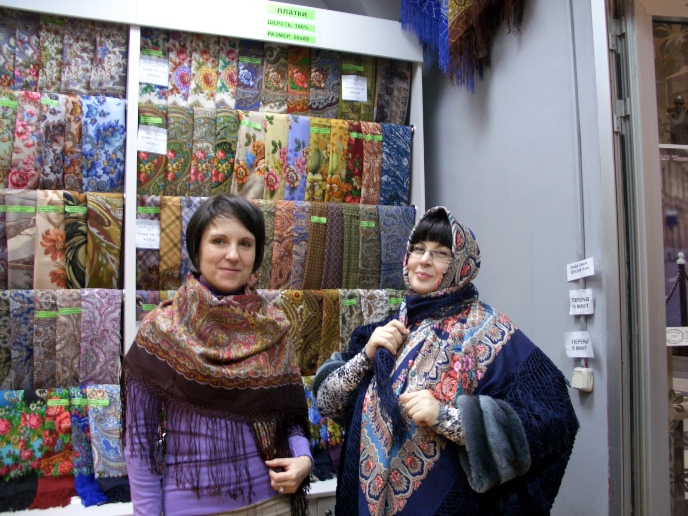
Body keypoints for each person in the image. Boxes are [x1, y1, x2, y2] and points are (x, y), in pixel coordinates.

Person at [314, 206, 579, 515]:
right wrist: (365, 356)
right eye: (418, 249)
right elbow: (327, 403)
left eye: (440, 253)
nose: (424, 260)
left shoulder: (488, 331)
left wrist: (446, 417)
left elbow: (552, 417)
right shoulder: (387, 328)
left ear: (461, 265)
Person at [123, 194, 312, 516]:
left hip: (274, 501)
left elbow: (289, 418)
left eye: (245, 244)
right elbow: (139, 443)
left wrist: (304, 459)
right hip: (191, 508)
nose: (233, 255)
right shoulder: (162, 329)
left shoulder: (272, 326)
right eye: (219, 241)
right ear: (197, 249)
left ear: (257, 254)